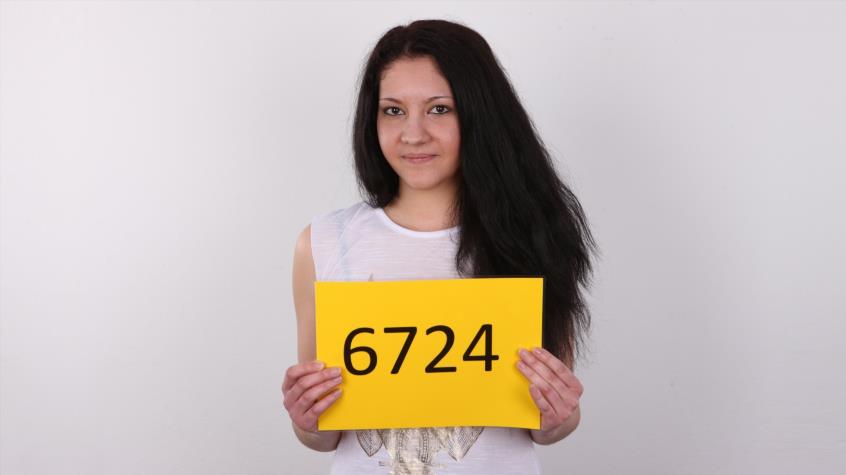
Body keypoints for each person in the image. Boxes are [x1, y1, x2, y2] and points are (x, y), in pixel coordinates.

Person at [282, 19, 598, 474]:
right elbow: (323, 432)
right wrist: (306, 416)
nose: (413, 134)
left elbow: (548, 425)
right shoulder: (324, 243)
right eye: (393, 110)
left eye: (439, 109)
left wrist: (559, 413)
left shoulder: (533, 235)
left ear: (479, 113)